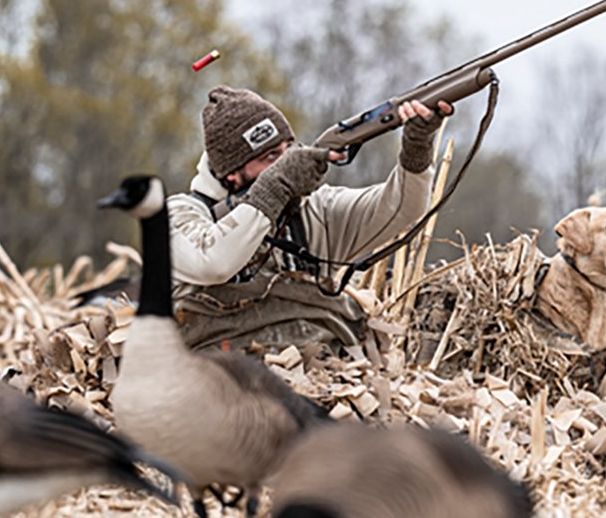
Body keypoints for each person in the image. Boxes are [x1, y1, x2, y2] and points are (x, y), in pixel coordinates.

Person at [167, 85, 451, 350]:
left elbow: (403, 208)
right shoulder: (178, 215)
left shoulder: (315, 209)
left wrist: (417, 146)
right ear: (232, 172)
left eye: (287, 149)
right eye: (270, 156)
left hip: (319, 383)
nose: (285, 162)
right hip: (213, 386)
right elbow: (214, 262)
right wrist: (275, 187)